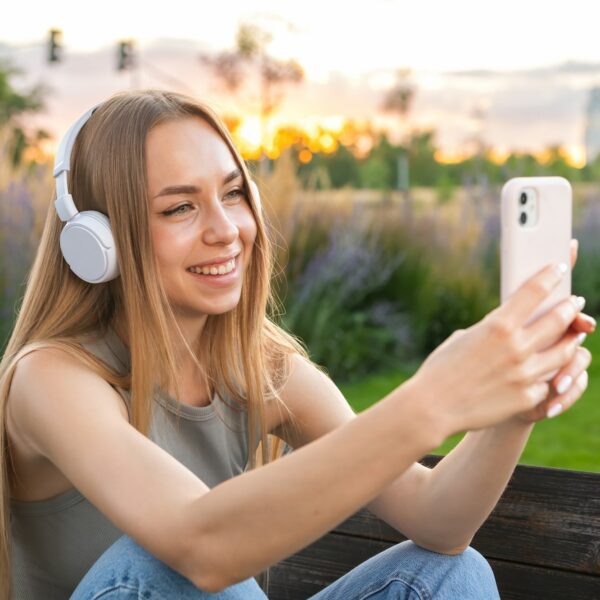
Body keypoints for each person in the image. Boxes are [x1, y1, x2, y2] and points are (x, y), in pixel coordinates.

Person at [0, 89, 594, 600]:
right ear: (94, 240)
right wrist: (432, 400)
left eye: (232, 194)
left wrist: (515, 408)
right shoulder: (52, 378)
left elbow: (438, 517)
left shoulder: (260, 367)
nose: (226, 229)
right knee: (164, 561)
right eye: (180, 207)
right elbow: (199, 544)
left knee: (447, 573)